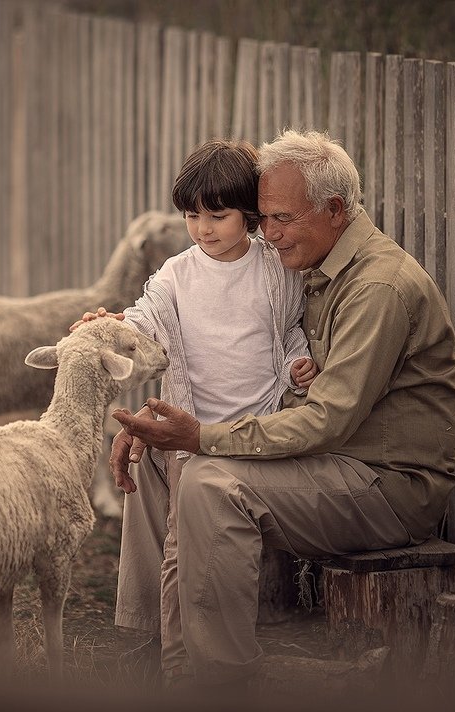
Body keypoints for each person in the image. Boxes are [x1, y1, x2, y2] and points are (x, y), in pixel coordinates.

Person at [109, 129, 455, 687]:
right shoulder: (314, 268)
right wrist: (157, 426)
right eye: (263, 219)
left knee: (209, 483)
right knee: (156, 460)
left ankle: (221, 678)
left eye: (280, 219)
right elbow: (283, 366)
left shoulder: (378, 288)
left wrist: (202, 436)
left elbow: (328, 420)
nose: (268, 234)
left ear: (335, 209)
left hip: (385, 485)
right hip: (336, 461)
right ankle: (159, 644)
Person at [73, 138, 317, 683]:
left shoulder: (274, 272)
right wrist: (111, 329)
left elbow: (290, 331)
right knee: (177, 547)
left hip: (252, 431)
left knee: (192, 550)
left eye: (218, 215)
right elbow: (146, 320)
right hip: (192, 432)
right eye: (191, 215)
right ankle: (164, 650)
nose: (203, 228)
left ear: (248, 214)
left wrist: (301, 362)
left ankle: (188, 666)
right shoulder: (176, 275)